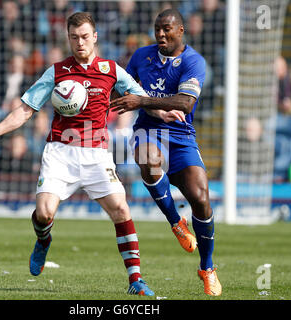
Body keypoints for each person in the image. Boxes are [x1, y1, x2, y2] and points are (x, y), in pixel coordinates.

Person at [0, 12, 169, 296]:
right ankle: (43, 240)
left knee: (121, 209)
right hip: (60, 153)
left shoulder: (111, 70)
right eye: (75, 37)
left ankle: (136, 279)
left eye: (86, 37)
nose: (80, 43)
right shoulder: (56, 72)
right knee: (44, 213)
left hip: (97, 154)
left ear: (95, 37)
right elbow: (26, 110)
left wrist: (165, 110)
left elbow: (141, 98)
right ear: (68, 38)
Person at [110, 9, 222, 296]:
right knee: (148, 159)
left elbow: (185, 103)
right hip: (149, 130)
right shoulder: (141, 57)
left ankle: (207, 267)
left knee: (201, 197)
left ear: (181, 31)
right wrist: (149, 107)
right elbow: (126, 94)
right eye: (157, 29)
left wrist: (143, 100)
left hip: (182, 136)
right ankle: (176, 222)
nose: (161, 34)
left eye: (167, 29)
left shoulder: (194, 61)